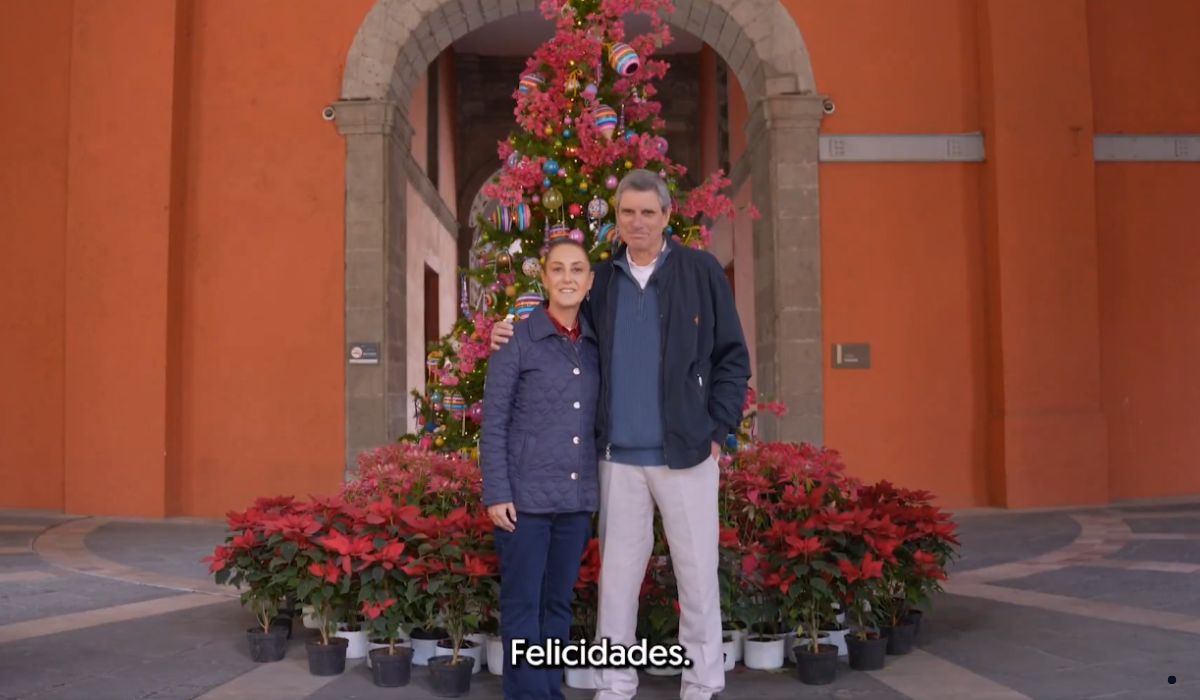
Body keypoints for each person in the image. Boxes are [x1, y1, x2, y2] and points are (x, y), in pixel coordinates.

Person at [491, 169, 751, 700]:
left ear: (666, 216)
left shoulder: (700, 272)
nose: (637, 222)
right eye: (627, 212)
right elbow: (557, 317)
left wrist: (718, 430)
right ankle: (615, 682)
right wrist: (508, 329)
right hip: (615, 458)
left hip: (686, 454)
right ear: (618, 217)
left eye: (647, 213)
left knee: (697, 576)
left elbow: (732, 358)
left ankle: (702, 682)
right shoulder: (602, 280)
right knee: (617, 583)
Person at [480, 237, 601, 700]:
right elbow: (494, 422)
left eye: (577, 270)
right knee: (523, 605)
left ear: (590, 282)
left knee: (557, 604)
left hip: (574, 500)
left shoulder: (594, 344)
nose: (567, 278)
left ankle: (548, 690)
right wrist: (496, 492)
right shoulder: (516, 340)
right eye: (558, 269)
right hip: (523, 501)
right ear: (545, 278)